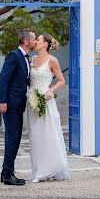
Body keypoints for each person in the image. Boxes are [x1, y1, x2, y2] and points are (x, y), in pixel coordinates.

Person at [27, 33, 70, 183]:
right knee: (35, 135)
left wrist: (51, 90)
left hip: (46, 100)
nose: (36, 42)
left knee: (48, 134)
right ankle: (39, 169)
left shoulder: (53, 60)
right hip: (32, 100)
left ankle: (50, 169)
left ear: (45, 44)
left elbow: (61, 80)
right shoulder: (32, 60)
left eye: (38, 40)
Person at [0, 29, 37, 186]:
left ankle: (5, 172)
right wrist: (2, 101)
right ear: (26, 42)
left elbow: (24, 80)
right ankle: (8, 174)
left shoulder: (25, 58)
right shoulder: (14, 56)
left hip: (18, 104)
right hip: (10, 105)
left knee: (14, 138)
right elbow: (3, 79)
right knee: (13, 139)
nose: (35, 41)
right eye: (34, 39)